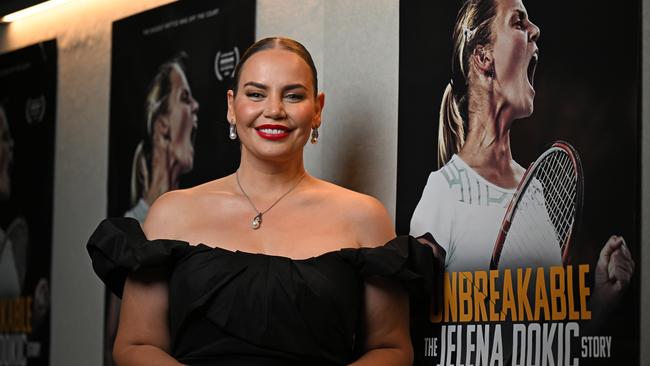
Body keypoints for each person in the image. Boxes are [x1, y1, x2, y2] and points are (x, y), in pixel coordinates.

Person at [88, 37, 433, 365]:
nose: (274, 110)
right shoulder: (170, 212)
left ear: (317, 110)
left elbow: (392, 348)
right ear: (231, 107)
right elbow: (135, 345)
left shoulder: (365, 216)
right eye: (256, 94)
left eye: (294, 96)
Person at [410, 0, 634, 315]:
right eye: (518, 22)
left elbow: (548, 340)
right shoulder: (443, 190)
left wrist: (602, 297)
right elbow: (419, 328)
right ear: (483, 56)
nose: (535, 30)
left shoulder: (536, 193)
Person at [125, 53, 199, 223]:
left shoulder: (193, 220)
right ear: (163, 125)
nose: (196, 106)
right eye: (185, 98)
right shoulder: (133, 228)